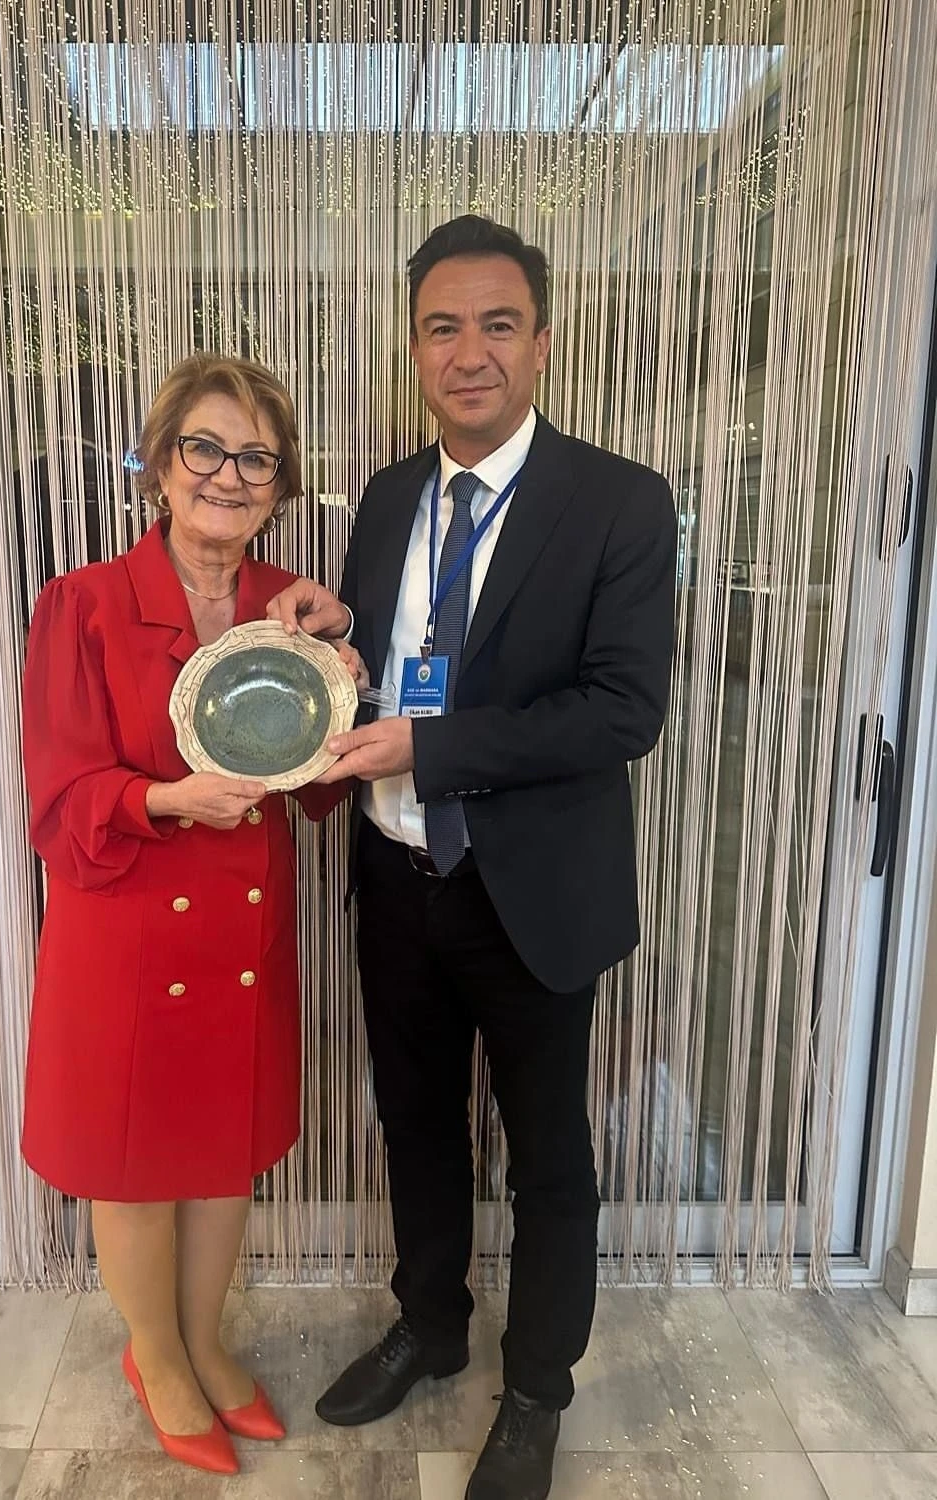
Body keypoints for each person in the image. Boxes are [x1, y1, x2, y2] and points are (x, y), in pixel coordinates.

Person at [268, 215, 677, 1500]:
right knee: (416, 1126)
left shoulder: (619, 500)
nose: (470, 352)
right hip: (399, 880)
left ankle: (538, 1388)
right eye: (442, 327)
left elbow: (623, 711)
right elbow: (393, 674)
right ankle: (431, 1327)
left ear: (542, 342)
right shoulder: (392, 496)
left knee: (549, 1159)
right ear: (415, 349)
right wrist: (335, 641)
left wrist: (430, 749)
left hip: (533, 892)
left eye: (499, 324)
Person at [20, 353, 356, 1477]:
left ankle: (207, 1342)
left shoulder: (287, 610)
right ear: (160, 464)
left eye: (257, 459)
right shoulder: (84, 605)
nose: (228, 475)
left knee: (220, 1156)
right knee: (135, 1162)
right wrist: (166, 798)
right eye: (204, 448)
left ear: (280, 487)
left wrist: (344, 678)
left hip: (241, 934)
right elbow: (60, 798)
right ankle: (156, 1356)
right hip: (124, 928)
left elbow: (319, 781)